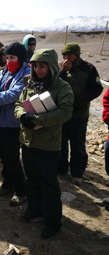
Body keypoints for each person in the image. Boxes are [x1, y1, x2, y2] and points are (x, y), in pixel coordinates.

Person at [14, 48, 74, 239]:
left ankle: (52, 221)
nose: (38, 70)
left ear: (51, 67)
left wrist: (38, 120)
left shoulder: (61, 87)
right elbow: (18, 104)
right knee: (32, 179)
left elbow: (65, 112)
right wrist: (22, 116)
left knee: (48, 183)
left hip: (48, 143)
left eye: (42, 66)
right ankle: (35, 210)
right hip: (28, 141)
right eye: (35, 66)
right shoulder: (29, 84)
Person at [0, 42, 30, 206]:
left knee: (12, 157)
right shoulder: (5, 71)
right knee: (4, 155)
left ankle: (21, 191)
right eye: (7, 57)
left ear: (20, 58)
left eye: (12, 58)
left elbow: (14, 94)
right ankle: (7, 184)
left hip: (14, 121)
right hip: (0, 119)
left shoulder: (26, 73)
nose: (9, 61)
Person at [58, 43, 103, 185]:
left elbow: (96, 89)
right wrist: (64, 72)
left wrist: (78, 101)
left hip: (79, 113)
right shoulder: (60, 67)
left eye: (69, 54)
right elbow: (55, 84)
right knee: (61, 142)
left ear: (76, 54)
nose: (66, 57)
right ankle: (61, 169)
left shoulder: (88, 68)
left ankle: (77, 172)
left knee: (78, 144)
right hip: (62, 113)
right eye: (64, 55)